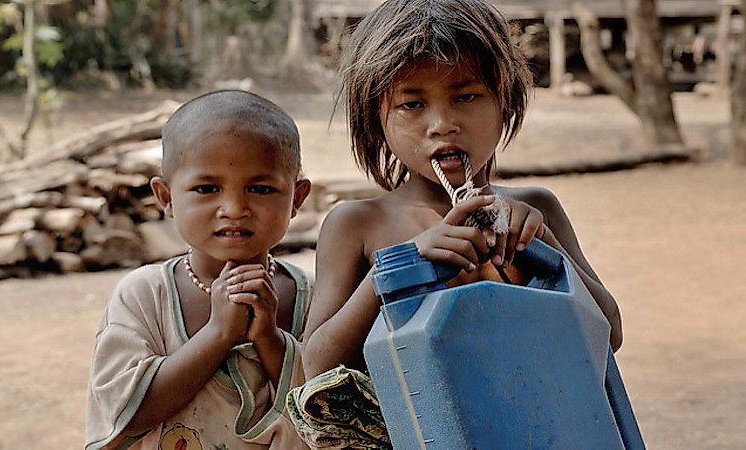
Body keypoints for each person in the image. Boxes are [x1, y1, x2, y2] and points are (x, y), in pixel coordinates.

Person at [302, 0, 622, 381]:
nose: (442, 124)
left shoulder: (537, 209)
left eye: (466, 97)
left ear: (505, 102)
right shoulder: (357, 225)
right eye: (412, 104)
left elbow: (610, 332)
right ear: (377, 121)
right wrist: (400, 266)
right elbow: (316, 366)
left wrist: (542, 244)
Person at [85, 90, 313, 450]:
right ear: (166, 198)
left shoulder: (311, 295)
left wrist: (269, 338)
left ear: (297, 199)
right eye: (207, 188)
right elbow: (125, 415)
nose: (235, 208)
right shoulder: (144, 296)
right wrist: (219, 332)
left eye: (260, 188)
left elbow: (329, 415)